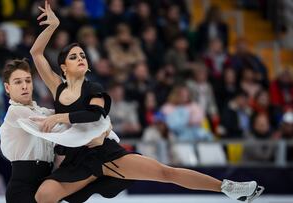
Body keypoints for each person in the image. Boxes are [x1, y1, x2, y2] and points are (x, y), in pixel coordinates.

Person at [29, 2, 264, 203]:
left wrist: (59, 117)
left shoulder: (94, 88)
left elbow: (94, 115)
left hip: (106, 155)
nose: (80, 58)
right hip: (76, 161)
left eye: (82, 55)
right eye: (73, 57)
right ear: (63, 67)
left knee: (165, 172)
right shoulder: (56, 87)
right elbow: (37, 53)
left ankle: (229, 188)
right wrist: (53, 26)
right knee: (44, 195)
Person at [0, 58, 112, 203]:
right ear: (7, 88)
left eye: (28, 80)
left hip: (47, 183)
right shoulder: (15, 113)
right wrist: (91, 129)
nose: (24, 86)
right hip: (23, 189)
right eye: (18, 82)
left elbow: (74, 118)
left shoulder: (43, 112)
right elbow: (63, 127)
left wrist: (104, 124)